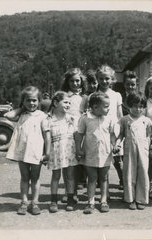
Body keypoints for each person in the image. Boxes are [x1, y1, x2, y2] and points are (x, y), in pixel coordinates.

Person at [4, 86, 49, 215]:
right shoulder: (21, 115)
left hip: (36, 152)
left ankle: (35, 203)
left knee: (35, 178)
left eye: (34, 100)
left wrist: (47, 153)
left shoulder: (42, 116)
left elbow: (47, 136)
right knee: (24, 177)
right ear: (23, 102)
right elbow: (7, 115)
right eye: (28, 100)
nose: (31, 103)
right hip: (23, 151)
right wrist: (22, 108)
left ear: (39, 101)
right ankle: (24, 202)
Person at [75, 92, 117, 214]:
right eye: (105, 106)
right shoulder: (85, 118)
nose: (108, 109)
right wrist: (78, 149)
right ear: (95, 107)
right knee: (92, 178)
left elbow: (112, 135)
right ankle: (91, 201)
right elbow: (79, 135)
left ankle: (103, 201)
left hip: (105, 153)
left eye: (108, 106)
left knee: (104, 178)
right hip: (90, 153)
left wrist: (114, 145)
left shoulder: (109, 119)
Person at [114, 92, 152, 210]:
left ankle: (141, 199)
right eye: (135, 106)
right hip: (129, 150)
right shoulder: (125, 120)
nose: (138, 109)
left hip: (143, 151)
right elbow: (120, 135)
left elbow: (149, 136)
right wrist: (117, 144)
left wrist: (150, 149)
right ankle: (130, 199)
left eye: (141, 106)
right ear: (129, 106)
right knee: (129, 173)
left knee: (142, 173)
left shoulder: (146, 121)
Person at [43, 91, 78, 213]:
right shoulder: (48, 119)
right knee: (56, 176)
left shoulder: (71, 119)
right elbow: (47, 138)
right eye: (65, 102)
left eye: (70, 103)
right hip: (55, 152)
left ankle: (70, 199)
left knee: (70, 176)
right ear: (56, 102)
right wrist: (46, 153)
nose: (68, 105)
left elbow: (76, 135)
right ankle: (53, 200)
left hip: (69, 151)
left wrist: (78, 150)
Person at [60, 68, 87, 202]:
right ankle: (68, 191)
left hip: (81, 131)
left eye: (77, 81)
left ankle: (75, 189)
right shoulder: (64, 96)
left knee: (78, 163)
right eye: (72, 81)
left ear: (81, 82)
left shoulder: (85, 97)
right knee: (67, 163)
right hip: (67, 131)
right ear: (67, 82)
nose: (75, 84)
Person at [96, 65, 124, 190]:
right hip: (100, 129)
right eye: (101, 79)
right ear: (97, 79)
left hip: (114, 129)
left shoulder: (117, 95)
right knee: (102, 159)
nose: (104, 81)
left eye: (107, 78)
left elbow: (120, 114)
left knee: (118, 159)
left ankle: (123, 180)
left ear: (112, 79)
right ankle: (103, 188)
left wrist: (122, 128)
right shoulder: (95, 95)